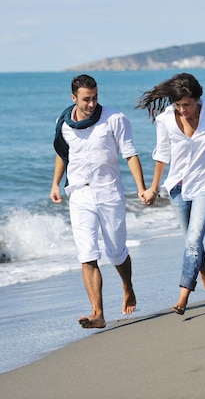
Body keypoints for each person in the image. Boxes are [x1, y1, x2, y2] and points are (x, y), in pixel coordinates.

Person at [136, 73, 205, 315]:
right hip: (178, 187)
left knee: (193, 240)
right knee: (191, 239)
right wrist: (153, 188)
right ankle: (203, 270)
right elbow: (161, 154)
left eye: (186, 104)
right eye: (177, 104)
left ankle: (183, 295)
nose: (182, 109)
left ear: (197, 99)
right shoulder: (165, 119)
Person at [50, 74, 147, 329]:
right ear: (73, 98)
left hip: (109, 192)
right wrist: (55, 184)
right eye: (86, 99)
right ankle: (97, 314)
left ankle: (127, 287)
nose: (91, 104)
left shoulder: (115, 119)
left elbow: (130, 154)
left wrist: (141, 188)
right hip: (80, 194)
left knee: (116, 252)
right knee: (87, 254)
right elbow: (63, 154)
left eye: (94, 98)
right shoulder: (64, 123)